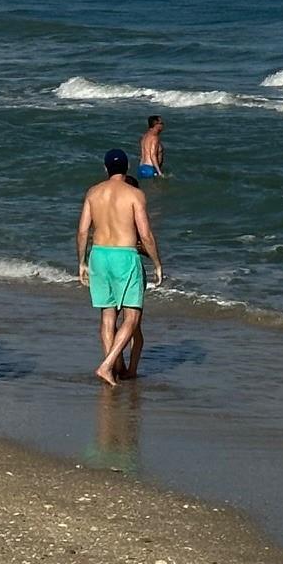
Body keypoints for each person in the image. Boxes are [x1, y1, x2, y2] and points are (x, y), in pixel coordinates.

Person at [77, 148, 163, 387]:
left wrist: (82, 261)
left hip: (99, 254)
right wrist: (157, 263)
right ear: (127, 168)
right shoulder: (134, 194)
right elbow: (145, 234)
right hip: (124, 255)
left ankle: (113, 370)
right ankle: (107, 366)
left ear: (106, 168)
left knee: (107, 316)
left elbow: (83, 231)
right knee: (132, 317)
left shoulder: (93, 192)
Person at [139, 116, 166, 180]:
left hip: (141, 168)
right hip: (151, 169)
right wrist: (159, 172)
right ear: (156, 125)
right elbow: (152, 155)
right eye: (161, 123)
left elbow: (142, 155)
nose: (163, 125)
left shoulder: (144, 137)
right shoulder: (154, 138)